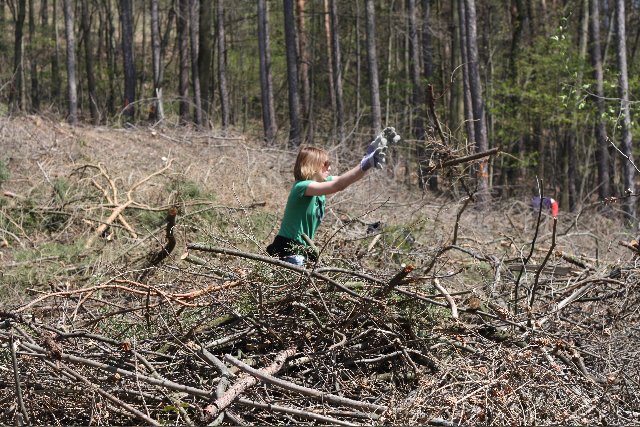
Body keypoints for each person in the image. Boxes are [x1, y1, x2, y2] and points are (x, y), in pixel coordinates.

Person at [267, 127, 401, 266]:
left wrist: (366, 160)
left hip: (302, 252)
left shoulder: (319, 186)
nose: (329, 168)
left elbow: (344, 180)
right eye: (326, 164)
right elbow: (338, 186)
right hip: (287, 251)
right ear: (312, 166)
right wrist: (365, 164)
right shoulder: (301, 187)